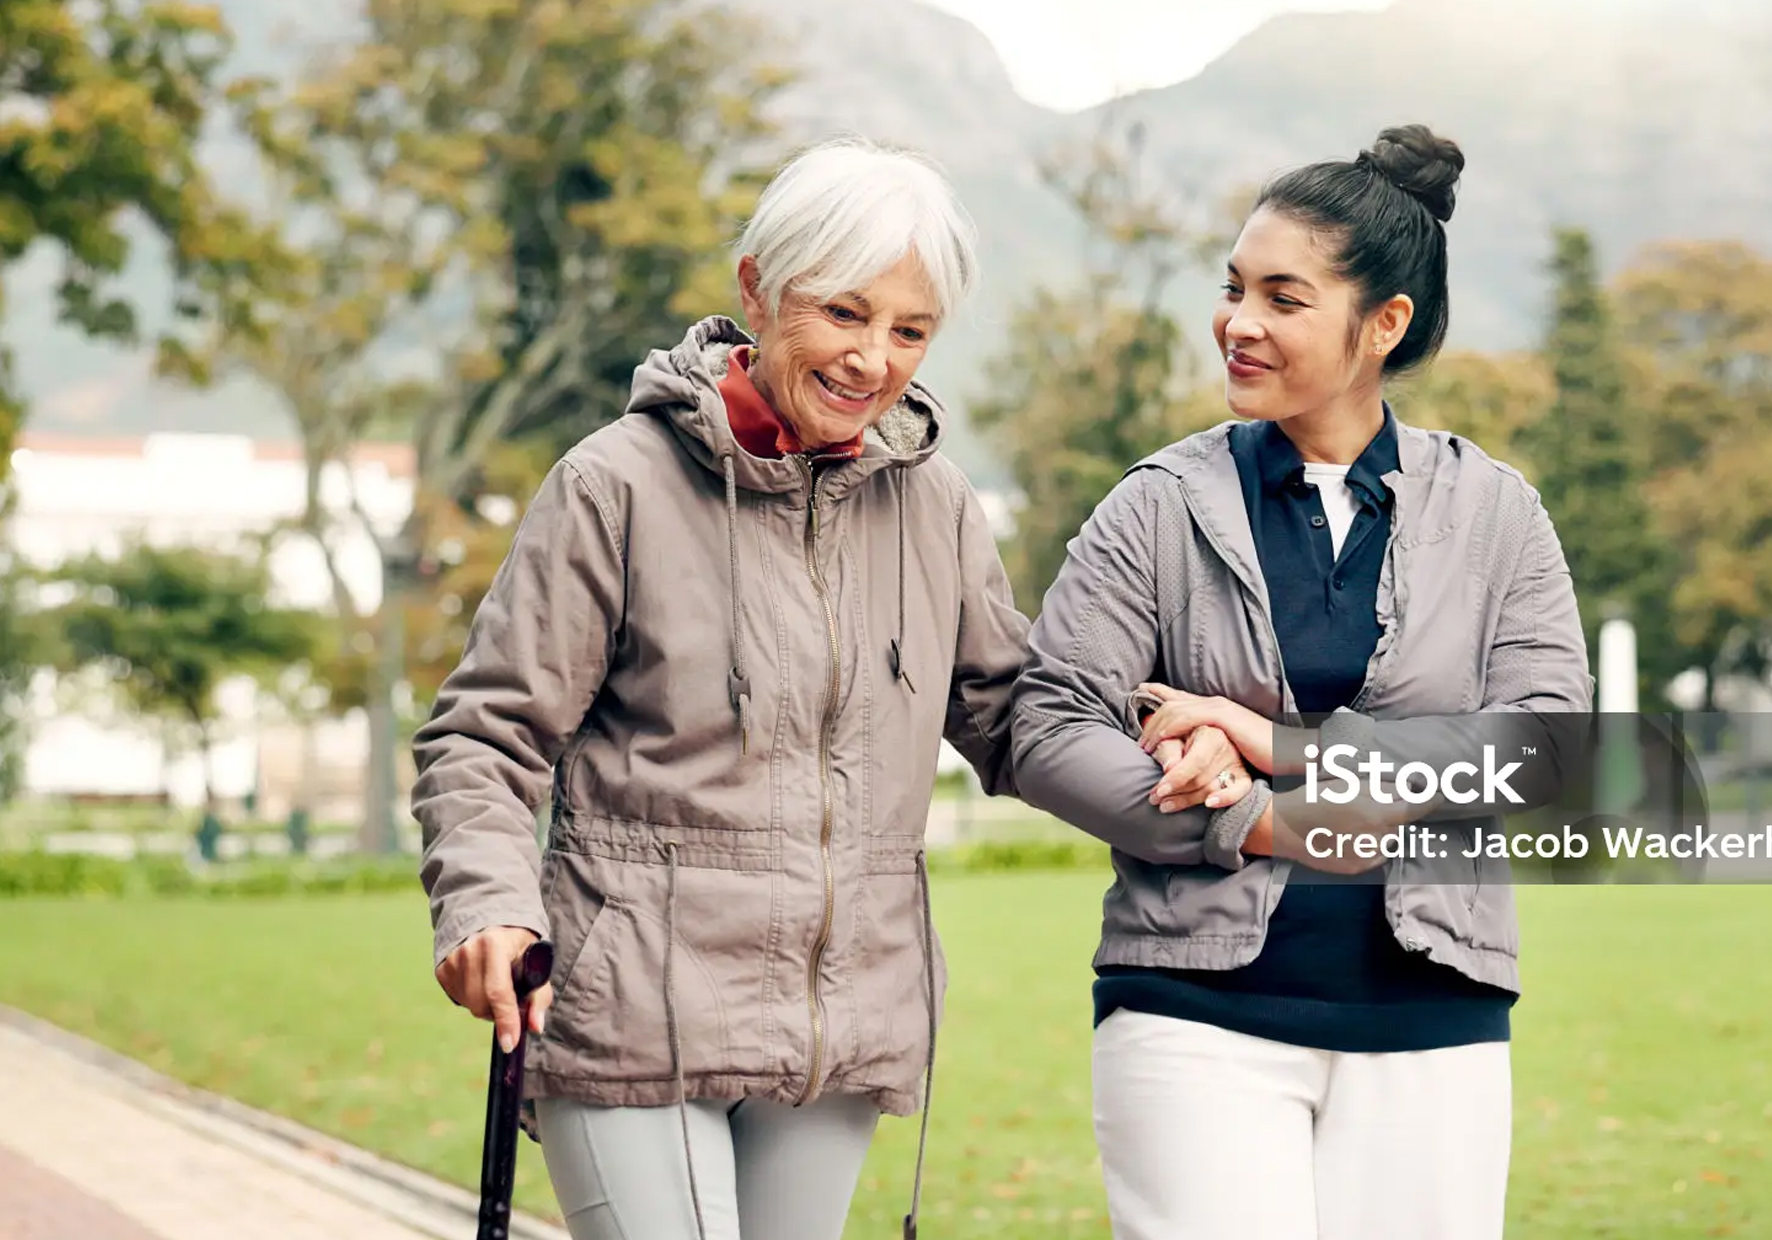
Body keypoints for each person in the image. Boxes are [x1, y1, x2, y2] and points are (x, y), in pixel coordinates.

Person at [407, 136, 1246, 1240]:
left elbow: (1015, 711)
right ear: (758, 288)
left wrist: (1171, 740)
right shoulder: (614, 485)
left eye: (910, 330)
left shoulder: (936, 505)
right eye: (845, 315)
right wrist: (487, 901)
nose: (874, 360)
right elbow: (484, 733)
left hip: (845, 1017)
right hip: (634, 1002)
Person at [1009, 124, 1594, 1240]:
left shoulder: (1495, 512)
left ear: (1383, 325)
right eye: (1233, 289)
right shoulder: (1158, 504)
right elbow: (1046, 724)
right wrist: (1245, 823)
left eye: (1282, 297)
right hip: (1194, 1013)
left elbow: (1547, 749)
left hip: (1436, 1015)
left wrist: (1275, 744)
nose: (1237, 322)